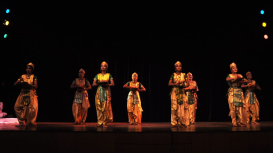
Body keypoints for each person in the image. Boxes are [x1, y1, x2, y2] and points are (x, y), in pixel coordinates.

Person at [92, 61, 114, 127]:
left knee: (105, 107)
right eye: (102, 66)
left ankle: (104, 122)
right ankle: (99, 122)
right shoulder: (97, 75)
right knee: (98, 106)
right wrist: (99, 83)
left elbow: (112, 84)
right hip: (99, 92)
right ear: (100, 68)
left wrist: (106, 84)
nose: (103, 67)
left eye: (104, 66)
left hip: (106, 92)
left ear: (106, 68)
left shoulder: (109, 75)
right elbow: (93, 84)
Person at [226, 62, 248, 127]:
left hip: (239, 91)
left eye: (235, 68)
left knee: (240, 107)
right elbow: (227, 79)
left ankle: (240, 121)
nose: (235, 69)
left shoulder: (240, 75)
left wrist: (241, 81)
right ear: (231, 70)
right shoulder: (230, 75)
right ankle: (234, 122)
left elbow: (246, 80)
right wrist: (234, 78)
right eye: (233, 68)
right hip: (233, 91)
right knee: (233, 107)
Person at [168, 61, 189, 128]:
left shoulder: (184, 75)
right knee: (174, 107)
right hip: (174, 92)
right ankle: (174, 123)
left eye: (180, 66)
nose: (178, 67)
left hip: (182, 91)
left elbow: (187, 84)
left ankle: (181, 122)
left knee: (182, 107)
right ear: (175, 68)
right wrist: (176, 84)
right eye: (177, 66)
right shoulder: (173, 75)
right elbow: (169, 83)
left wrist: (183, 85)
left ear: (181, 67)